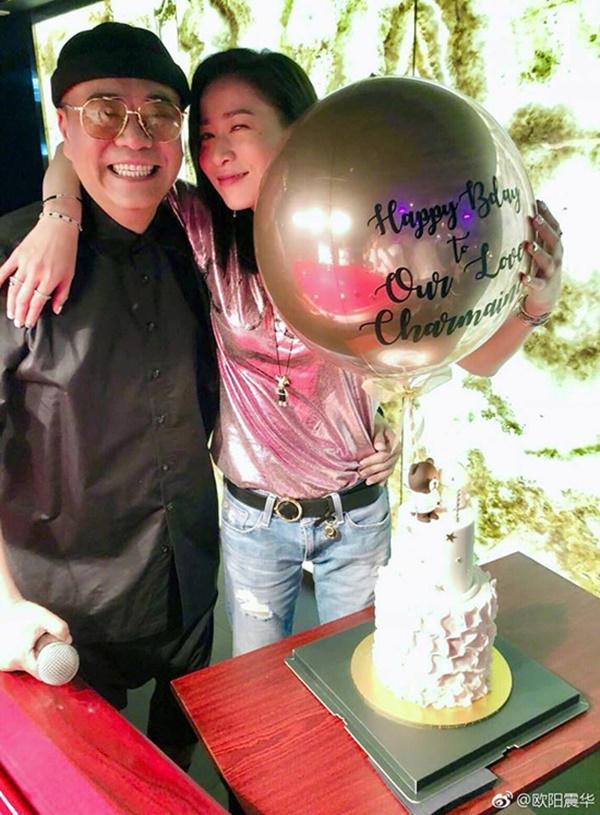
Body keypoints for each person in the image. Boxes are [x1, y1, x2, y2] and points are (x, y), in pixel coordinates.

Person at [0, 49, 563, 656]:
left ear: (301, 132)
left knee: (356, 671)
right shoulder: (202, 229)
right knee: (255, 681)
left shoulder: (368, 236)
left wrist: (536, 303)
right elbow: (88, 150)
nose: (218, 153)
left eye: (239, 127)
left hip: (355, 513)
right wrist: (59, 216)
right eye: (206, 136)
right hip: (254, 520)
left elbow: (474, 358)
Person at [0, 23, 220, 771]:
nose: (136, 134)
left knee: (180, 758)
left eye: (158, 111)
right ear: (63, 123)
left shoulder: (194, 234)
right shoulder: (13, 260)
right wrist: (4, 604)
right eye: (104, 109)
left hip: (189, 570)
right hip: (66, 604)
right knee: (92, 780)